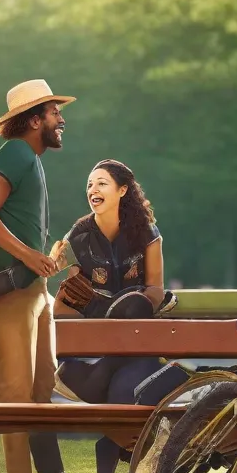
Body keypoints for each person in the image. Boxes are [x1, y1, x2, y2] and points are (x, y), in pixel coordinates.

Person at [0, 79, 89, 473]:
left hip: (32, 288)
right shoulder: (15, 153)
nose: (62, 120)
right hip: (7, 286)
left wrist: (46, 260)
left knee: (40, 386)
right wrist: (28, 256)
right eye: (55, 113)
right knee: (15, 388)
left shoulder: (31, 160)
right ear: (35, 119)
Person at [53, 159, 170, 405]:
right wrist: (54, 263)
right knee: (122, 381)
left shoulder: (148, 233)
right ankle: (102, 375)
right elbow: (70, 295)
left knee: (136, 305)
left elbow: (155, 289)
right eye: (89, 185)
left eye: (102, 184)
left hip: (136, 336)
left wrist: (137, 305)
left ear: (122, 190)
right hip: (90, 342)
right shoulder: (78, 235)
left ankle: (99, 380)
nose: (93, 190)